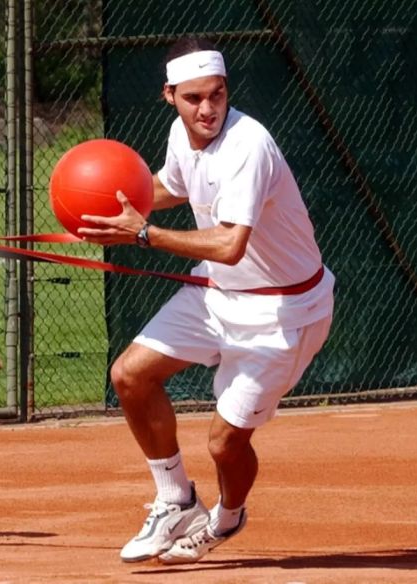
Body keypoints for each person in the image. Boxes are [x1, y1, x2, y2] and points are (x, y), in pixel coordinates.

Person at [78, 37, 334, 564]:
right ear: (168, 95)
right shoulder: (181, 132)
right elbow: (170, 186)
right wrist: (106, 211)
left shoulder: (249, 145)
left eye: (217, 94)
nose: (208, 109)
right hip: (219, 294)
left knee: (224, 444)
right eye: (193, 98)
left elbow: (229, 242)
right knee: (130, 375)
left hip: (282, 315)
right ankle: (175, 501)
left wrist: (142, 233)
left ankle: (229, 515)